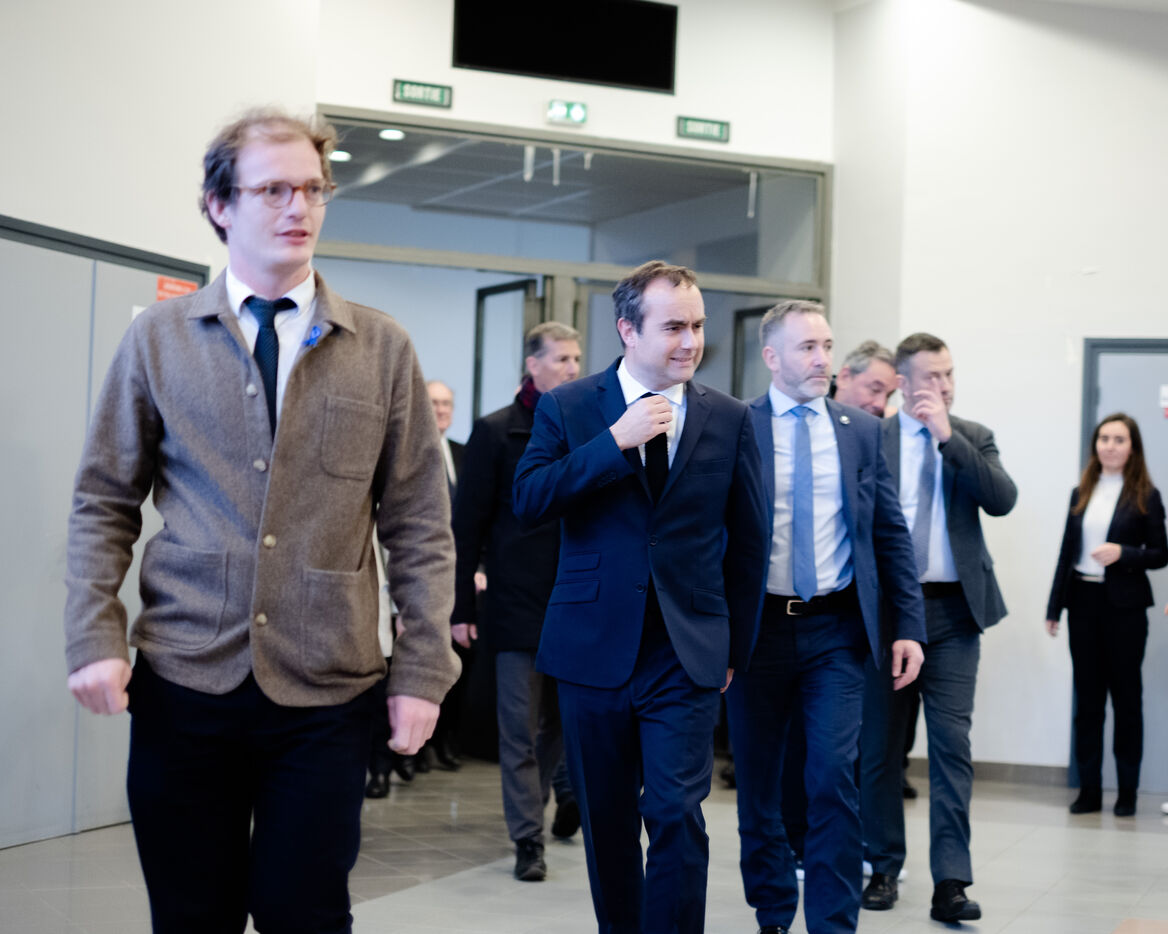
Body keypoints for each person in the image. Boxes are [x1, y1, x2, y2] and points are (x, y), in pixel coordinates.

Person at [63, 109, 459, 934]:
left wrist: (424, 669)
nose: (298, 207)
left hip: (327, 691)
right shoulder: (159, 341)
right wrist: (95, 634)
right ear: (220, 205)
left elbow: (420, 522)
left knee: (305, 914)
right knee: (191, 915)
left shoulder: (381, 348)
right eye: (273, 189)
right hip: (185, 681)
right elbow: (104, 499)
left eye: (313, 189)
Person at [513, 260, 769, 934]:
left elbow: (749, 543)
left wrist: (735, 649)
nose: (691, 342)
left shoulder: (729, 417)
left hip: (686, 651)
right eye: (674, 327)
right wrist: (613, 444)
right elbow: (529, 500)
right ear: (628, 330)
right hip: (592, 646)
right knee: (607, 821)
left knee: (677, 814)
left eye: (698, 326)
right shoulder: (570, 406)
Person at [727, 301, 925, 934]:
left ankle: (834, 924)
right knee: (759, 783)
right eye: (807, 347)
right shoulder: (737, 426)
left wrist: (909, 626)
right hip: (757, 632)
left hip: (835, 631)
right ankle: (772, 913)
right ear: (771, 357)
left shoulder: (861, 430)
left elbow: (889, 534)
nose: (822, 359)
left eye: (827, 346)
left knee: (834, 775)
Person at [859, 332, 1016, 924]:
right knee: (879, 748)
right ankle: (882, 865)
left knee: (953, 747)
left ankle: (951, 880)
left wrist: (948, 438)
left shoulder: (973, 435)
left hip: (954, 615)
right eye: (931, 376)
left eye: (949, 374)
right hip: (887, 615)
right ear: (902, 382)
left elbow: (1001, 499)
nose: (944, 386)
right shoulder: (872, 437)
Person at [451, 322, 583, 882]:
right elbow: (466, 527)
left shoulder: (588, 428)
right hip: (514, 603)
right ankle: (528, 838)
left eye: (577, 359)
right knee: (518, 729)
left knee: (563, 726)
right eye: (562, 358)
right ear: (533, 364)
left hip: (575, 602)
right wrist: (460, 607)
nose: (573, 368)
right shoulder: (495, 431)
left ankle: (543, 800)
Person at [1045, 412, 1167, 816]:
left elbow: (1161, 553)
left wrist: (1123, 553)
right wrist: (1054, 607)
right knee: (1088, 701)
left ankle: (1127, 792)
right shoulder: (1081, 492)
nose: (1110, 446)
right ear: (1095, 445)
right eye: (1104, 439)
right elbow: (1067, 552)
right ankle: (1090, 790)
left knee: (1127, 699)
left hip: (1125, 608)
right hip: (1083, 602)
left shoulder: (1146, 495)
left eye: (1119, 439)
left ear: (1132, 448)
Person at [832, 340, 897, 417]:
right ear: (844, 377)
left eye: (888, 396)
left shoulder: (885, 421)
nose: (881, 405)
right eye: (875, 390)